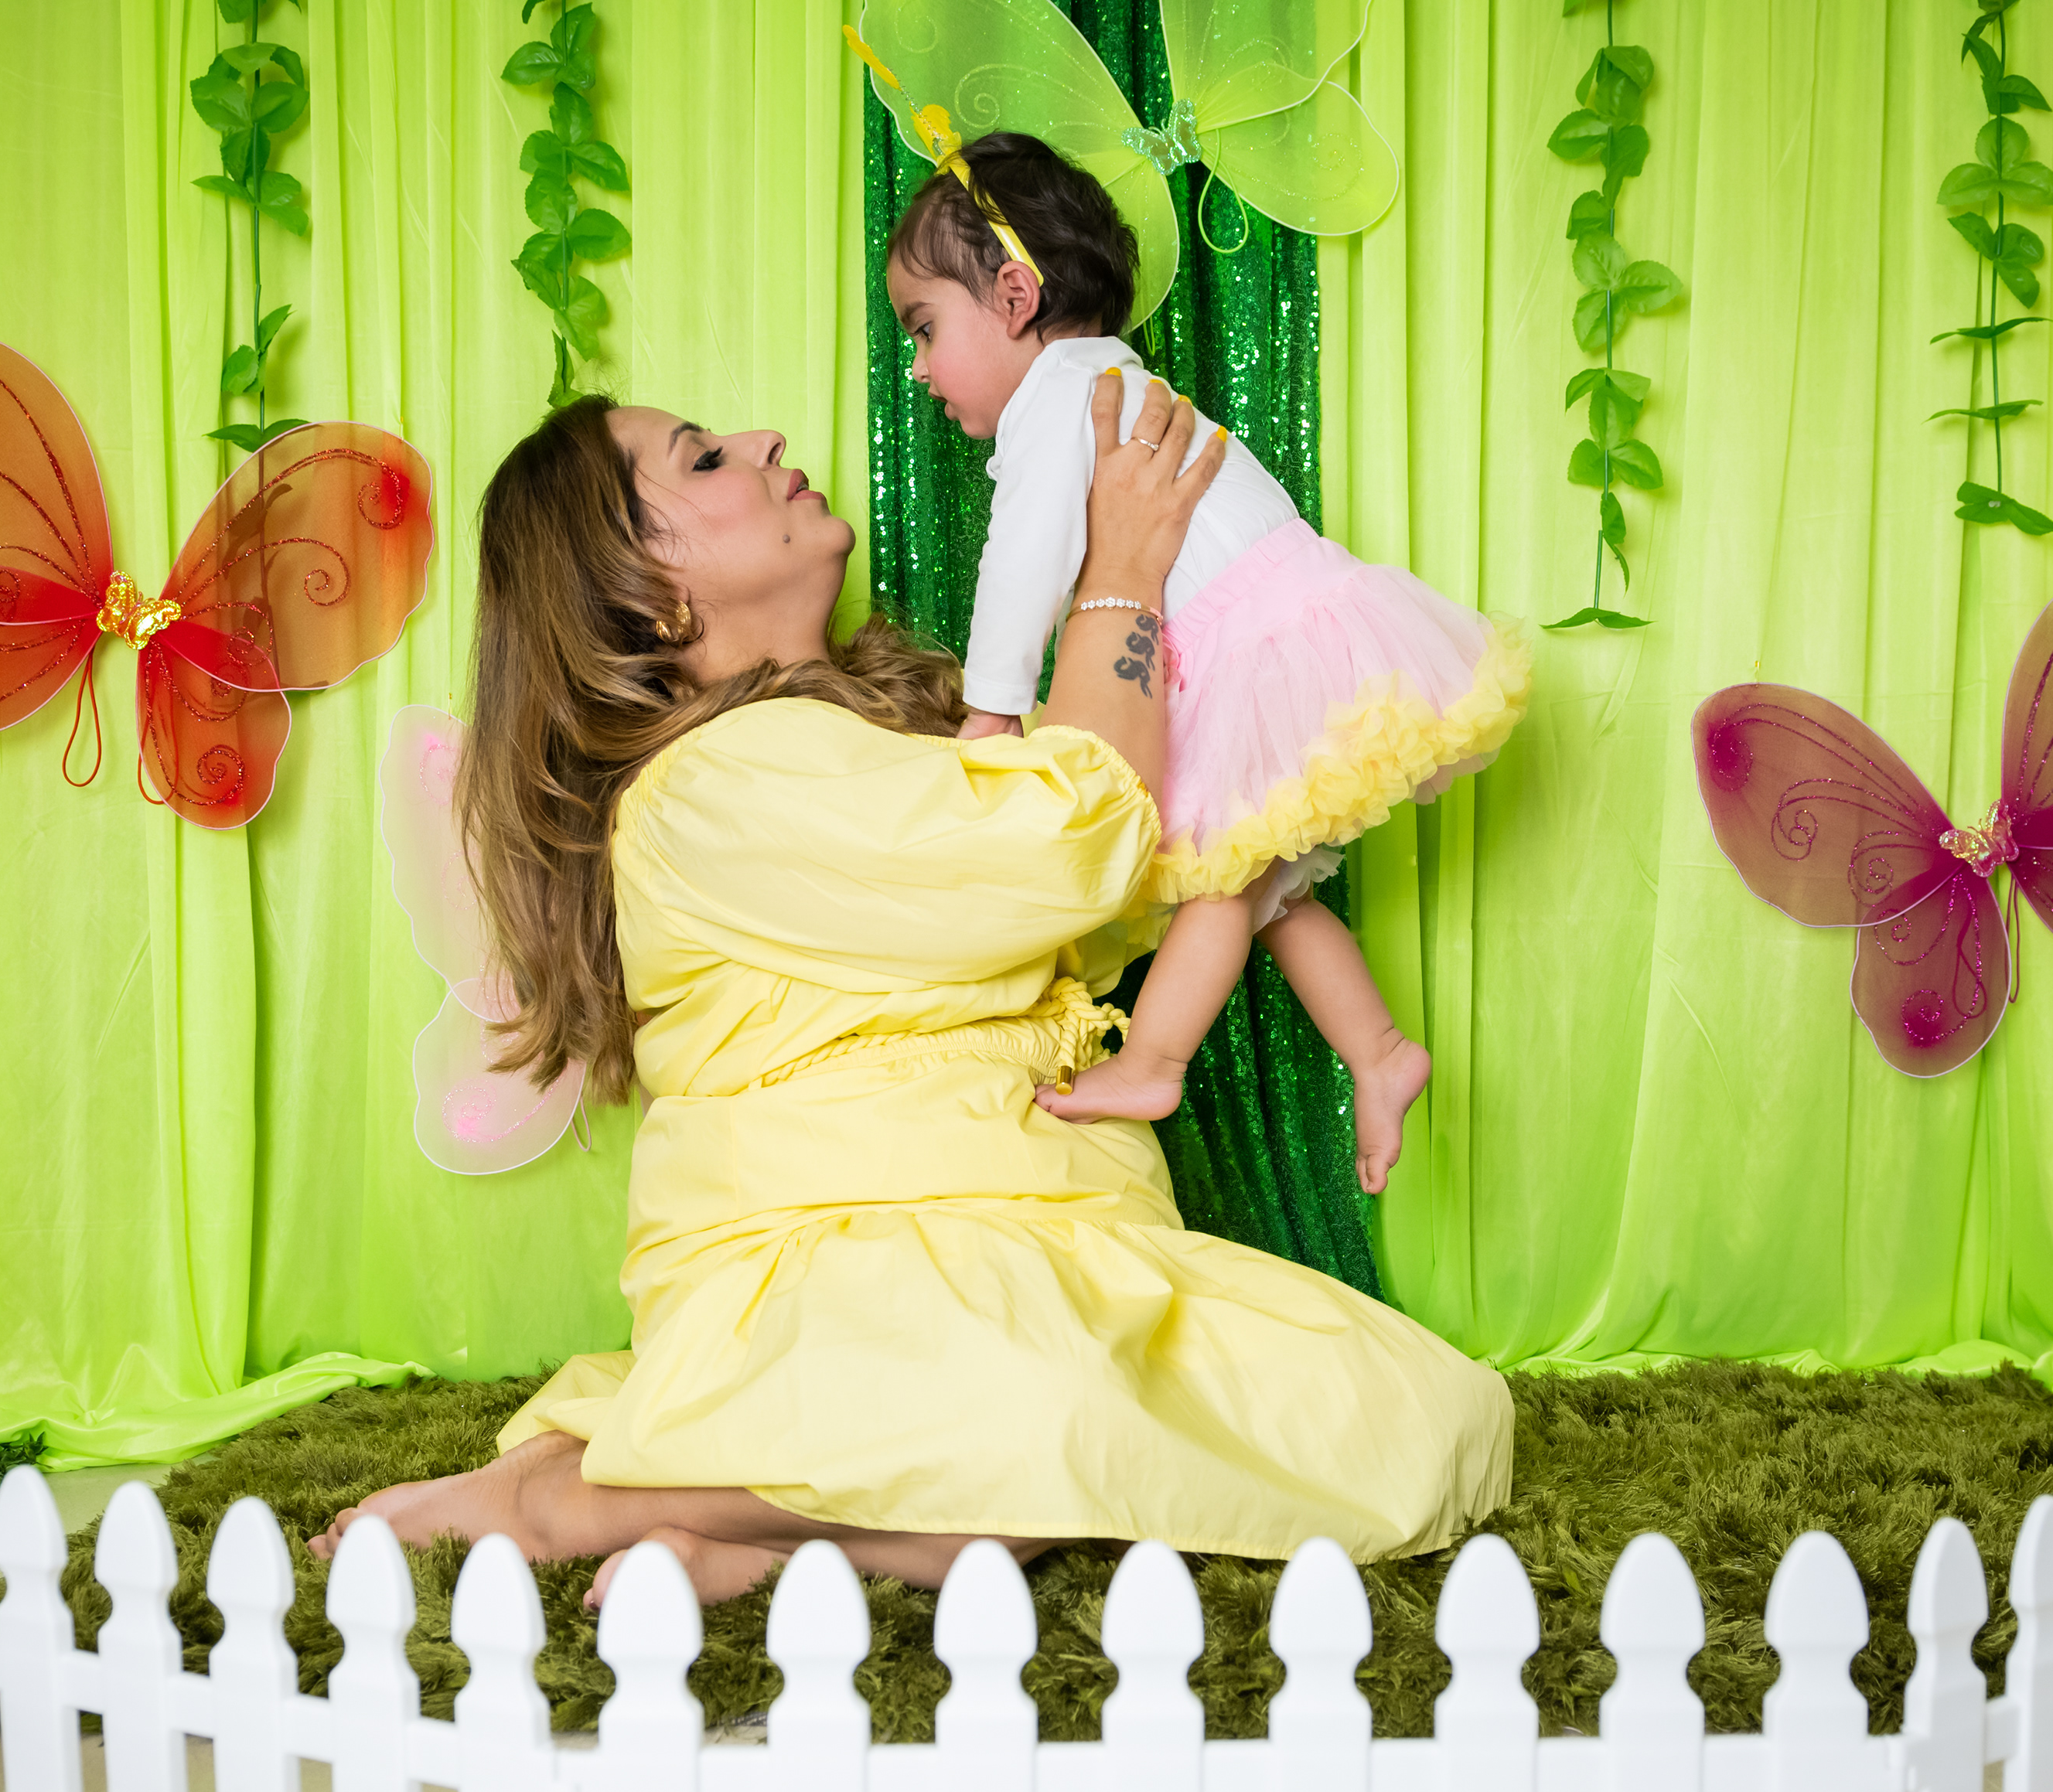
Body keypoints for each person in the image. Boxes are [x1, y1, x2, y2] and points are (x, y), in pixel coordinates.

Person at [312, 373, 1510, 1604]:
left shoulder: (897, 741)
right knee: (1036, 1419)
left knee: (1427, 1427)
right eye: (705, 458)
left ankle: (761, 1531)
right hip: (846, 1261)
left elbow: (1111, 895)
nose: (764, 437)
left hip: (1061, 1240)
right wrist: (1124, 573)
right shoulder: (712, 780)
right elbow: (1067, 847)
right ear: (651, 596)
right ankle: (562, 1501)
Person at [887, 131, 1530, 1193]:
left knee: (1226, 882)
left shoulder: (1063, 395)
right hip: (1286, 623)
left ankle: (1153, 1061)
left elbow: (1024, 560)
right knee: (1271, 893)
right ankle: (1379, 1052)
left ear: (1013, 296)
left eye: (924, 328)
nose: (916, 367)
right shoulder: (1112, 376)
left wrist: (993, 709)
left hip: (1254, 647)